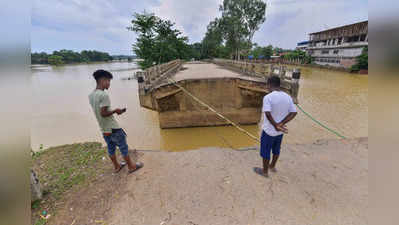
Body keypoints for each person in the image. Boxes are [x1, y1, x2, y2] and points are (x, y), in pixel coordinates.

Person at [89, 69, 143, 174]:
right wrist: (116, 110)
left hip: (104, 129)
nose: (109, 84)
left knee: (111, 148)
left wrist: (113, 111)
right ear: (102, 80)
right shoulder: (103, 95)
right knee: (123, 147)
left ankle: (117, 166)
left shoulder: (91, 95)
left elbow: (99, 112)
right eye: (108, 81)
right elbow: (103, 113)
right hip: (113, 128)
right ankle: (131, 167)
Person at [254, 76, 297, 178]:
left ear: (269, 84)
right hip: (280, 132)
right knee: (276, 149)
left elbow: (268, 114)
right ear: (279, 85)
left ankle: (264, 172)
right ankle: (272, 166)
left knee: (265, 151)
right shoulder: (287, 97)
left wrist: (275, 125)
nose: (267, 87)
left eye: (267, 85)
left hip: (269, 131)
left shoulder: (268, 97)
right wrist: (281, 124)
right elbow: (294, 113)